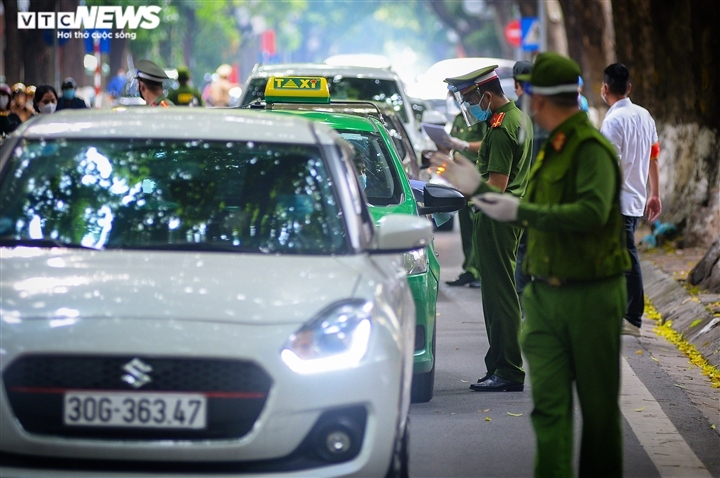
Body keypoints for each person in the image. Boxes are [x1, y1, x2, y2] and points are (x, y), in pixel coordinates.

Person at [431, 52, 630, 477]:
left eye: (531, 93)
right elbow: (524, 202)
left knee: (597, 416)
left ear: (541, 98)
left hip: (591, 295)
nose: (526, 101)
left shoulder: (592, 150)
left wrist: (507, 208)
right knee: (549, 413)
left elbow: (589, 214)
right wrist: (474, 187)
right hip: (546, 293)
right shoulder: (550, 147)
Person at [440, 64, 533, 392]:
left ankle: (508, 370)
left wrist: (459, 180)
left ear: (487, 95)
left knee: (501, 296)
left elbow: (495, 187)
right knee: (497, 295)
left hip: (497, 220)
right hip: (505, 219)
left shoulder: (500, 127)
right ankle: (498, 365)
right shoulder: (517, 118)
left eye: (470, 100)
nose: (470, 108)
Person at [600, 62, 662, 338]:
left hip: (618, 202)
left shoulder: (613, 121)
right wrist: (655, 193)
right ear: (629, 88)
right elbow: (654, 156)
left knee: (627, 257)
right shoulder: (644, 115)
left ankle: (633, 317)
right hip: (636, 200)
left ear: (604, 89)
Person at [444, 92, 485, 288]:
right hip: (460, 181)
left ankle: (478, 271)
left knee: (477, 226)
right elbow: (451, 144)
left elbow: (488, 143)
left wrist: (465, 144)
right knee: (466, 228)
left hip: (477, 180)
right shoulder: (460, 118)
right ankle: (469, 269)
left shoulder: (482, 117)